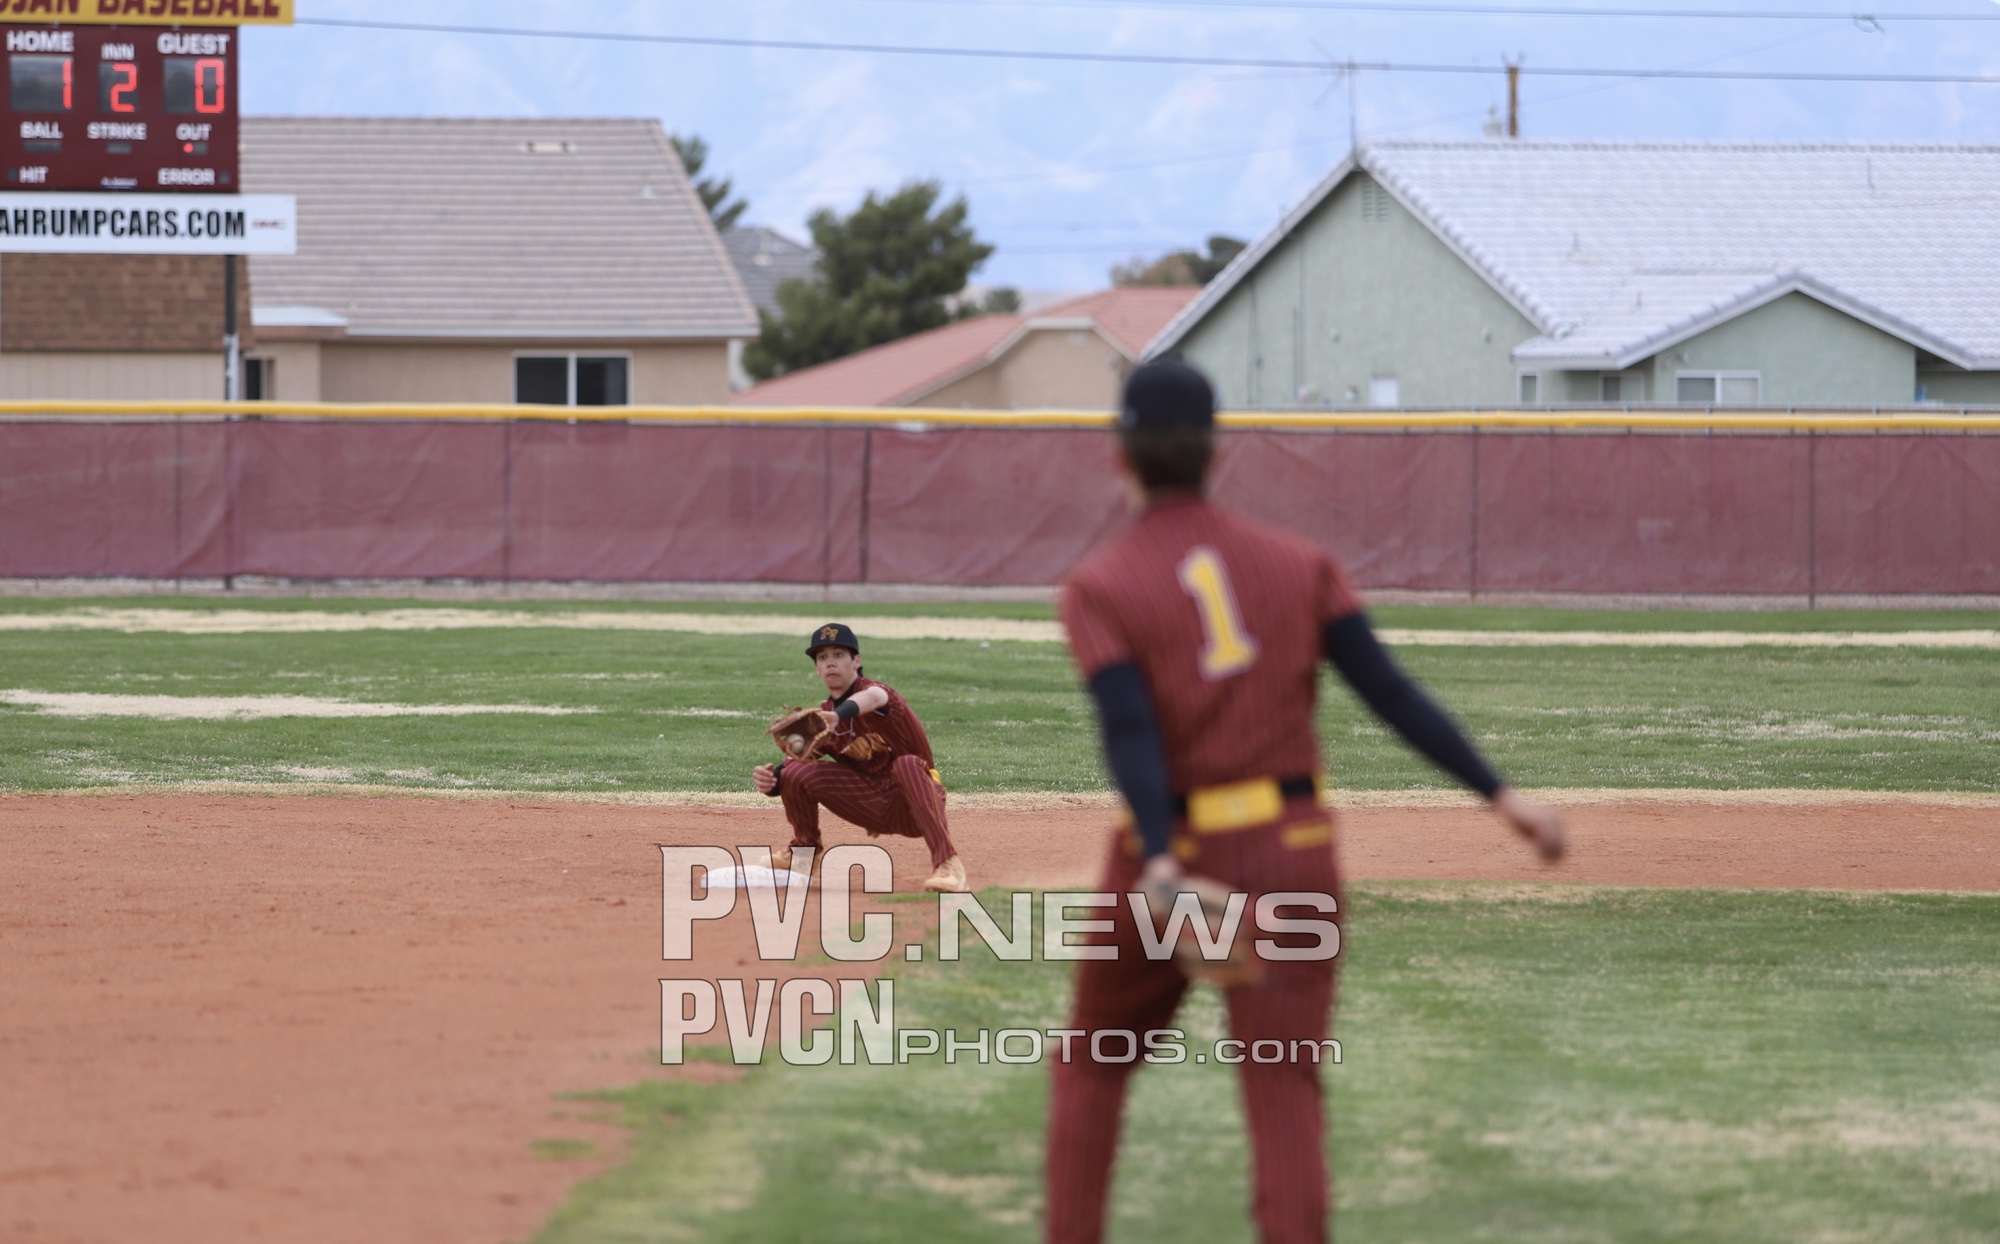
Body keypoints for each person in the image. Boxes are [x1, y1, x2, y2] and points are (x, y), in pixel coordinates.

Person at [1044, 360, 1567, 1244]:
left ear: (1119, 455)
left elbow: (1131, 728)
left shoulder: (1101, 584)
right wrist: (1502, 797)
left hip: (1169, 858)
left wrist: (1163, 860)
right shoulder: (1299, 563)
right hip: (1290, 851)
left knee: (1094, 1065)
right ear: (1216, 453)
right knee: (1282, 1084)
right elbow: (1389, 691)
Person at [753, 622, 970, 894]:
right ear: (817, 668)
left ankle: (949, 866)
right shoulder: (822, 719)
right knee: (797, 772)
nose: (830, 662)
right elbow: (794, 767)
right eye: (822, 657)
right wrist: (772, 781)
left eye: (838, 654)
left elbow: (874, 697)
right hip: (870, 803)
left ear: (856, 661)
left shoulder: (877, 694)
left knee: (906, 764)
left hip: (916, 802)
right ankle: (804, 856)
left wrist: (839, 715)